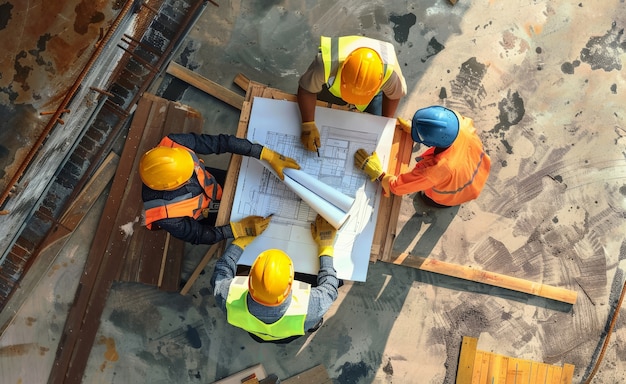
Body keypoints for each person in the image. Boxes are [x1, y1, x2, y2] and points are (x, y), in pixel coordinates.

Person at [139, 133, 300, 244]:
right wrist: (235, 230)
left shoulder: (173, 144)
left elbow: (220, 142)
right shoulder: (164, 214)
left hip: (214, 183)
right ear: (172, 186)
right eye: (188, 176)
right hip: (208, 213)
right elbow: (198, 235)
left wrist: (264, 153)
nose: (191, 173)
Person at [211, 214, 340, 344]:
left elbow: (222, 270)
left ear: (250, 280)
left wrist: (241, 241)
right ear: (291, 284)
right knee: (313, 319)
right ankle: (313, 325)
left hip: (256, 333)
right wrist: (326, 247)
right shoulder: (312, 308)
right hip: (290, 333)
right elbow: (330, 287)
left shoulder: (227, 298)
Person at [354, 106, 491, 207]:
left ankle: (435, 203)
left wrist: (379, 174)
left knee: (428, 200)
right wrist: (418, 128)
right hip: (479, 170)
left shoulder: (435, 171)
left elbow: (397, 187)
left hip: (456, 193)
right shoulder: (460, 123)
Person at [297, 35, 407, 152]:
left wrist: (385, 123)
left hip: (373, 95)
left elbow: (394, 96)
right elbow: (307, 89)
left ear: (379, 81)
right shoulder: (325, 64)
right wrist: (308, 124)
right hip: (333, 87)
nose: (352, 102)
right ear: (342, 69)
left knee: (376, 131)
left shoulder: (392, 75)